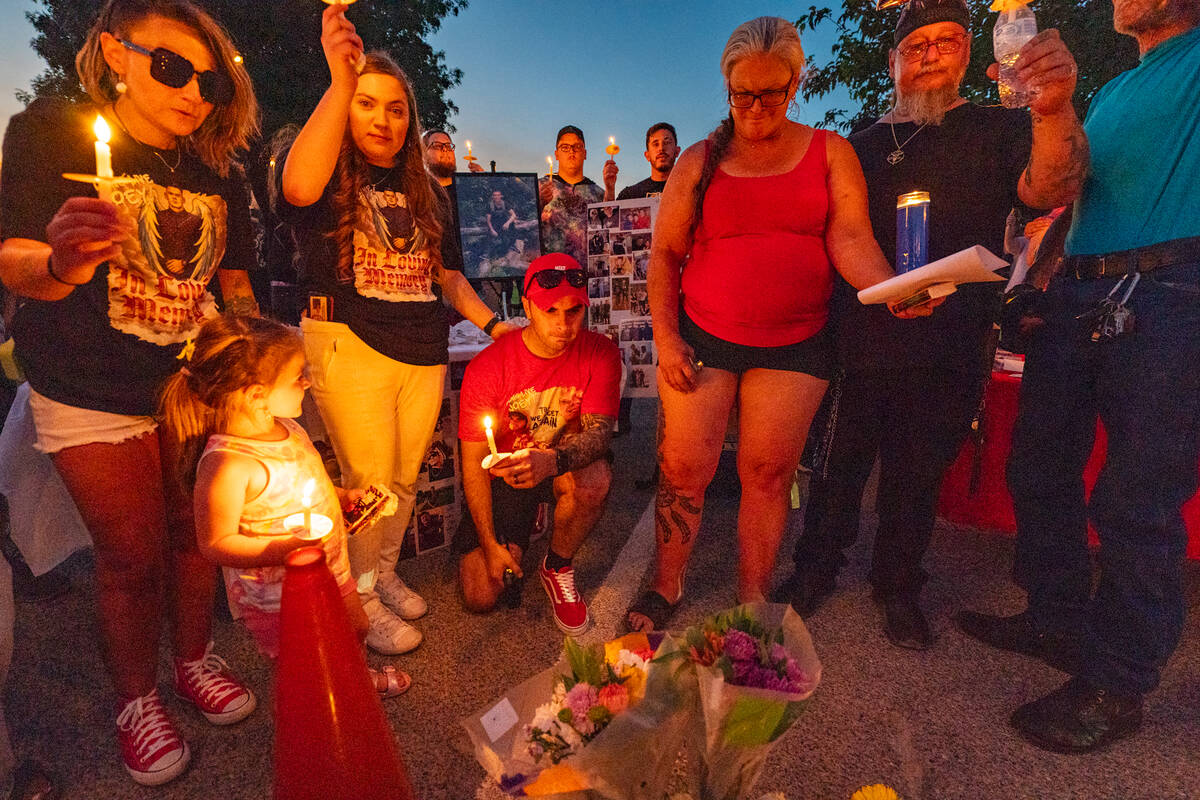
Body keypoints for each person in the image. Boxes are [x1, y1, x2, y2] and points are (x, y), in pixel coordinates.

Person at [0, 0, 260, 785]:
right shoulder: (52, 134)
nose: (193, 93)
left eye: (209, 82)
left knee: (194, 534)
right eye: (173, 67)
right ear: (116, 53)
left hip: (189, 385)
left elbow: (234, 283)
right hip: (88, 384)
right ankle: (135, 698)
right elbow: (14, 259)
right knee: (131, 556)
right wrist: (62, 263)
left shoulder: (216, 170)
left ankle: (192, 657)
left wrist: (248, 358)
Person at [776, 0, 1086, 650]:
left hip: (952, 342)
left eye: (946, 41)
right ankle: (813, 571)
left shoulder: (1000, 127)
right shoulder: (859, 144)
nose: (930, 55)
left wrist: (1054, 109)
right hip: (861, 343)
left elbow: (1051, 187)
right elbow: (837, 231)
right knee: (836, 470)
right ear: (893, 61)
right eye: (915, 46)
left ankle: (897, 587)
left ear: (968, 52)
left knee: (917, 477)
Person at [623, 16, 930, 633]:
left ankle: (752, 595)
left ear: (795, 84)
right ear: (728, 88)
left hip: (796, 343)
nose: (757, 108)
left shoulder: (830, 152)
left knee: (767, 474)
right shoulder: (698, 160)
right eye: (743, 94)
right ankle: (666, 583)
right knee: (683, 470)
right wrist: (667, 338)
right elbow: (665, 255)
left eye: (771, 93)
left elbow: (850, 237)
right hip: (705, 336)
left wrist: (890, 289)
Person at [958, 0, 1200, 753]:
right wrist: (1043, 278)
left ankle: (1117, 685)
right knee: (1038, 463)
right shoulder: (1116, 89)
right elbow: (1066, 191)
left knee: (1138, 496)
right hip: (1080, 289)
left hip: (1173, 288)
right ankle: (1056, 617)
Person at [276, 6, 517, 658]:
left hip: (421, 347)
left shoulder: (427, 190)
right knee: (371, 481)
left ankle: (381, 575)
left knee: (405, 479)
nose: (382, 120)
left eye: (396, 109)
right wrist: (339, 81)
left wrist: (497, 326)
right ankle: (358, 597)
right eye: (367, 104)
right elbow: (296, 185)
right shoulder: (329, 170)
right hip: (349, 341)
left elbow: (449, 277)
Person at [158, 314, 409, 698]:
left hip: (332, 567)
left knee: (355, 628)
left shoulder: (290, 429)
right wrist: (283, 549)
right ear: (256, 395)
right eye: (297, 377)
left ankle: (354, 681)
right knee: (306, 659)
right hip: (280, 595)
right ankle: (319, 708)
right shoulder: (228, 464)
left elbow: (310, 485)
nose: (306, 381)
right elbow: (215, 542)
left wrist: (343, 498)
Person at [455, 254, 621, 634]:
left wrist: (551, 461)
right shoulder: (488, 366)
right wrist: (489, 543)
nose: (563, 325)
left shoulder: (601, 352)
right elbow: (473, 464)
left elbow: (599, 435)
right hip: (508, 475)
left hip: (558, 464)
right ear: (528, 307)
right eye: (550, 311)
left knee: (596, 479)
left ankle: (557, 564)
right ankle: (525, 523)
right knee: (482, 594)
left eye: (574, 311)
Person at [538, 126, 616, 267]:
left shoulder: (598, 193)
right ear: (556, 154)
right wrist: (540, 203)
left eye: (577, 147)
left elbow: (610, 225)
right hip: (549, 273)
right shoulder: (541, 187)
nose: (572, 151)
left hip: (586, 274)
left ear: (585, 153)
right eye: (565, 147)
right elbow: (524, 225)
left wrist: (610, 189)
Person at [617, 122, 681, 200]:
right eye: (655, 144)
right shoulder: (630, 195)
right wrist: (609, 190)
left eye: (667, 143)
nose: (661, 148)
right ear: (647, 155)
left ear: (677, 151)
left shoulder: (691, 189)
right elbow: (609, 208)